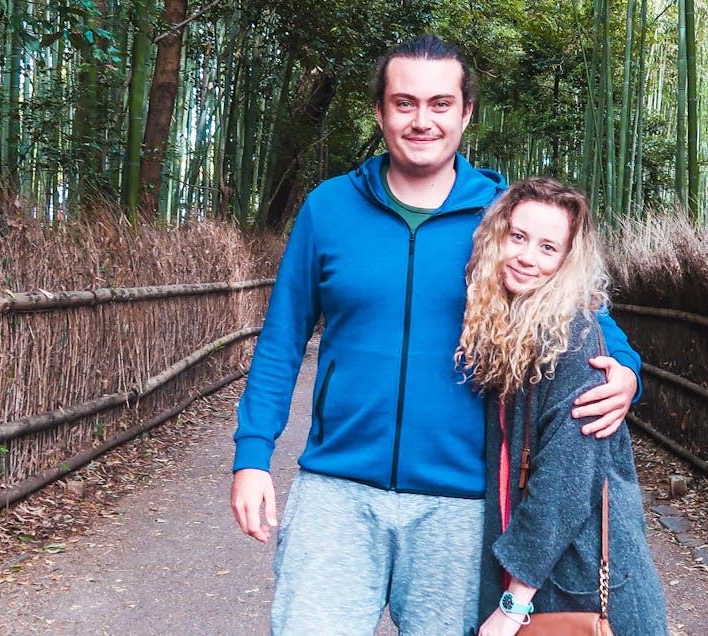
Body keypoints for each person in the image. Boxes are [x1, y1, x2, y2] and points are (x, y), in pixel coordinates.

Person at [229, 35, 643, 635]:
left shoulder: (503, 218)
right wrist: (252, 456)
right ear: (380, 112)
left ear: (466, 113)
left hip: (463, 505)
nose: (422, 120)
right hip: (335, 492)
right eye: (405, 103)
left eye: (440, 104)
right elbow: (281, 339)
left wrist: (627, 372)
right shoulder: (329, 208)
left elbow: (585, 313)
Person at [457, 178, 667, 635]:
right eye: (518, 237)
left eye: (548, 247)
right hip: (550, 578)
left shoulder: (572, 336)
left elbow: (565, 482)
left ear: (568, 261)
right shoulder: (509, 327)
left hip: (580, 584)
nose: (527, 257)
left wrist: (512, 605)